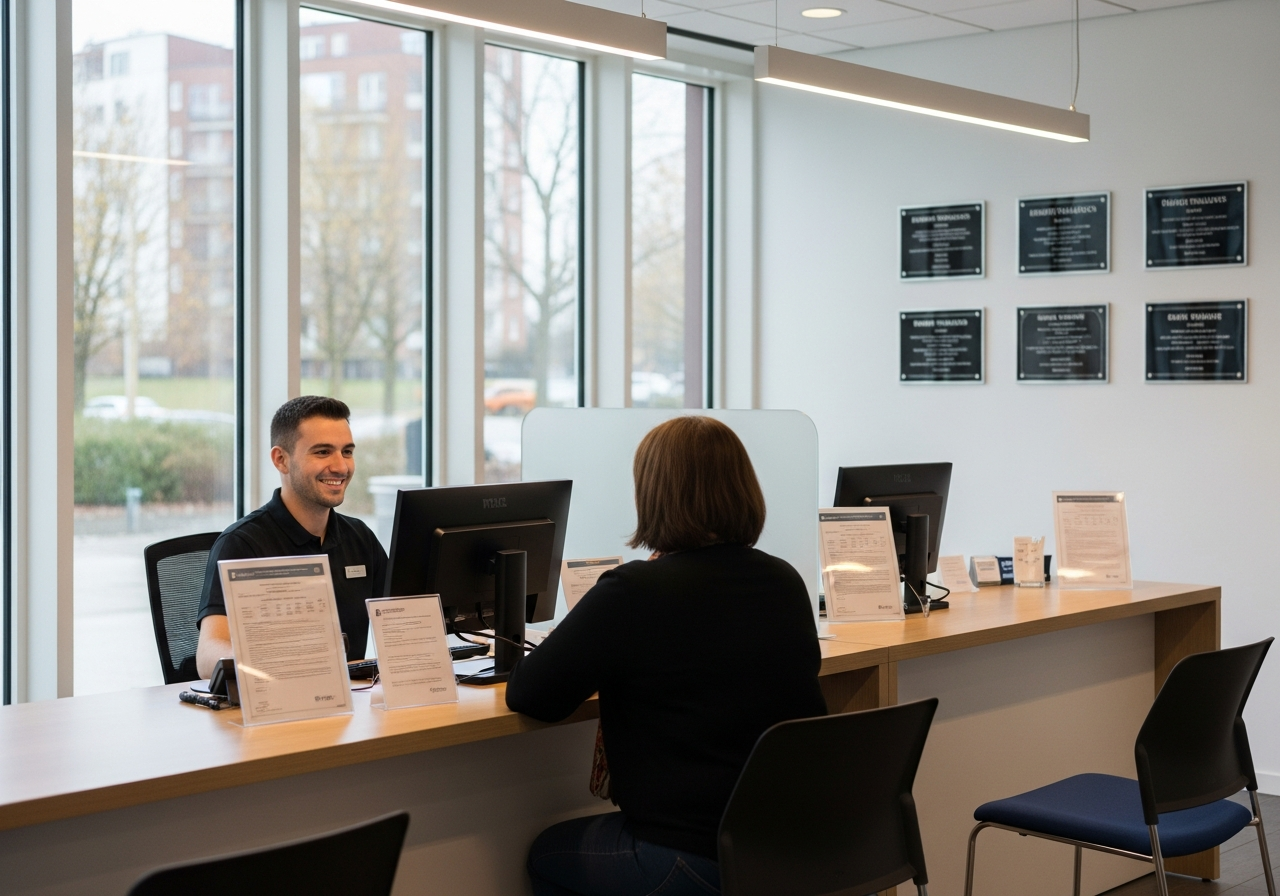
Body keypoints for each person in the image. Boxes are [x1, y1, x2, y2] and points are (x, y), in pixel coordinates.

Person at [506, 415, 826, 896]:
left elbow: (532, 695)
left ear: (653, 495)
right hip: (793, 851)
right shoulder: (784, 580)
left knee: (547, 854)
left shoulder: (635, 591)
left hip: (692, 857)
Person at [194, 396, 387, 679]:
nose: (341, 467)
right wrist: (278, 663)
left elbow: (406, 620)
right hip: (277, 708)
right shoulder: (242, 543)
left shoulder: (360, 538)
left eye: (346, 452)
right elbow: (208, 655)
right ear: (281, 460)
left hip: (350, 707)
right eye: (322, 452)